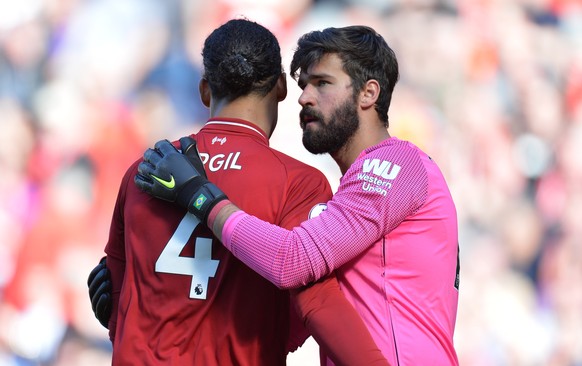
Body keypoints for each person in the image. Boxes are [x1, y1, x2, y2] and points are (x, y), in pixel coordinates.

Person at [136, 25, 460, 365]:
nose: (304, 97)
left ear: (368, 94)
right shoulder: (356, 193)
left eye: (322, 83)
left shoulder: (394, 163)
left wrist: (200, 197)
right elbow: (291, 324)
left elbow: (293, 261)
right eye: (303, 84)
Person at [91, 19, 388, 366]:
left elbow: (115, 307)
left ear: (204, 90)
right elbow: (314, 304)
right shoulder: (299, 183)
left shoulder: (144, 170)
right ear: (280, 87)